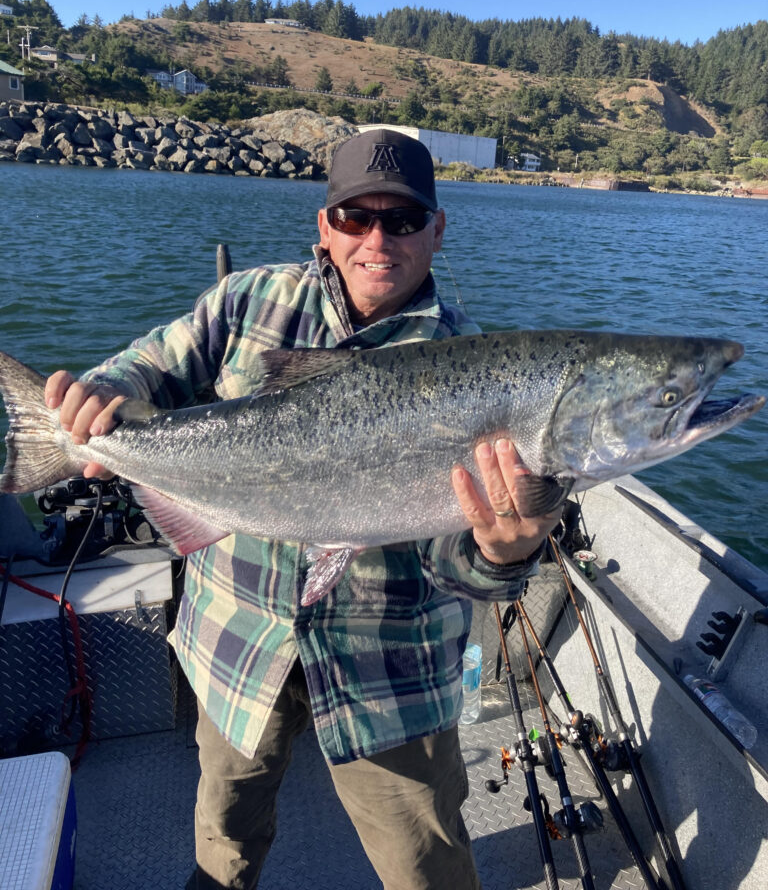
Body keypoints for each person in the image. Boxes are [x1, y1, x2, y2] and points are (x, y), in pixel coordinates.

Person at [45, 128, 561, 890]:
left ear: (438, 229)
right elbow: (149, 365)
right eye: (357, 217)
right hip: (237, 642)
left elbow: (455, 567)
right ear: (325, 225)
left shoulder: (478, 370)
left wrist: (504, 556)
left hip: (390, 671)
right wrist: (105, 394)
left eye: (404, 219)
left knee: (428, 868)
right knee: (223, 839)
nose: (377, 239)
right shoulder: (245, 301)